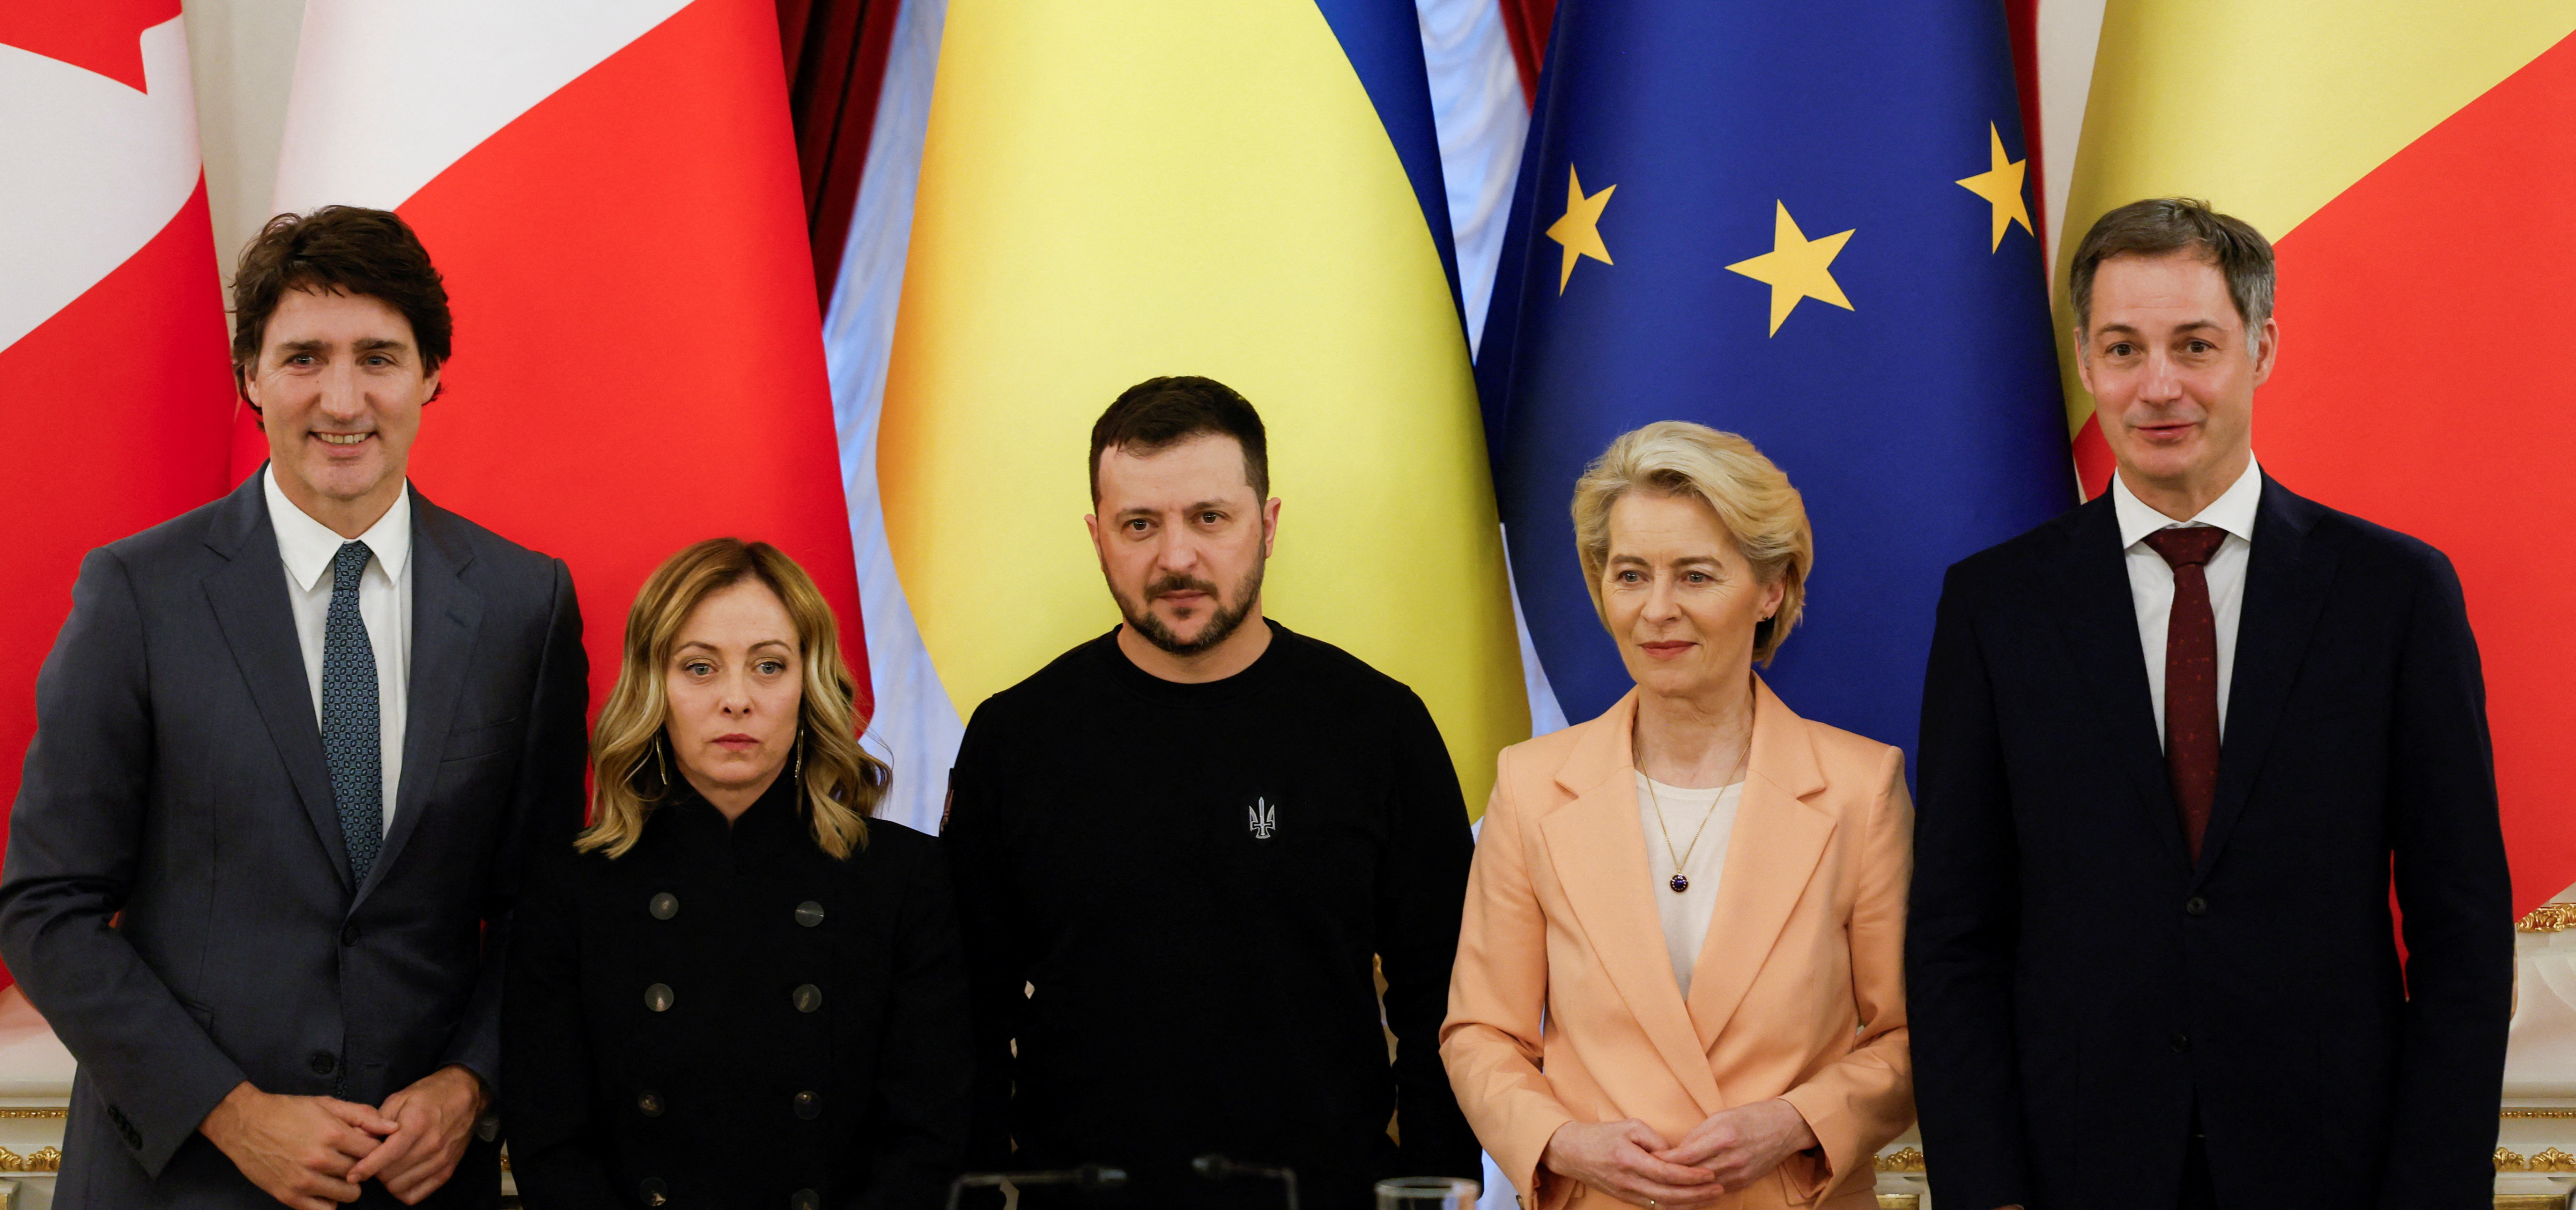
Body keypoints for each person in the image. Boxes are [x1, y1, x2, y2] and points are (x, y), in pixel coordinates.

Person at [1908, 198, 2513, 1210]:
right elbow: (1954, 932)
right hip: (2074, 1172)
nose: (2157, 386)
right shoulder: (1993, 606)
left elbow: (2461, 925)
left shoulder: (2393, 595)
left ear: (2260, 346)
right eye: (2121, 347)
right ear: (2084, 360)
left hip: (2336, 1169)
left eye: (2194, 345)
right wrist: (1985, 1190)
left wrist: (2432, 1188)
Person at [0, 207, 591, 1209]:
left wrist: (468, 1084)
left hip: (418, 1181)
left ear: (433, 372)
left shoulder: (522, 603)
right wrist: (232, 1111)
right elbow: (43, 909)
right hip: (178, 1177)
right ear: (251, 377)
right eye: (305, 356)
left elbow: (546, 906)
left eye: (379, 356)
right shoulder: (137, 594)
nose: (343, 397)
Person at [940, 376, 1482, 1209]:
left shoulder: (1378, 728)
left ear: (1266, 525)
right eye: (1140, 525)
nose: (1177, 558)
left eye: (1209, 518)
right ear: (1097, 538)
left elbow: (1445, 992)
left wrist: (1439, 1190)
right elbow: (966, 1013)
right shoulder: (1015, 740)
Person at [1443, 421, 1913, 1210]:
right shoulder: (1530, 786)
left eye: (1695, 576)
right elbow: (1481, 1035)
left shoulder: (1861, 787)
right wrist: (1565, 1143)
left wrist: (1795, 1121)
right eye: (1630, 575)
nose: (1656, 610)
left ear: (1770, 590)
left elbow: (1914, 1038)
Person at [502, 538, 969, 1210]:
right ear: (653, 687)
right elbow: (550, 1141)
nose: (737, 700)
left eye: (769, 666)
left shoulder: (902, 879)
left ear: (808, 685)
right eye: (700, 668)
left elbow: (926, 1141)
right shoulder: (574, 884)